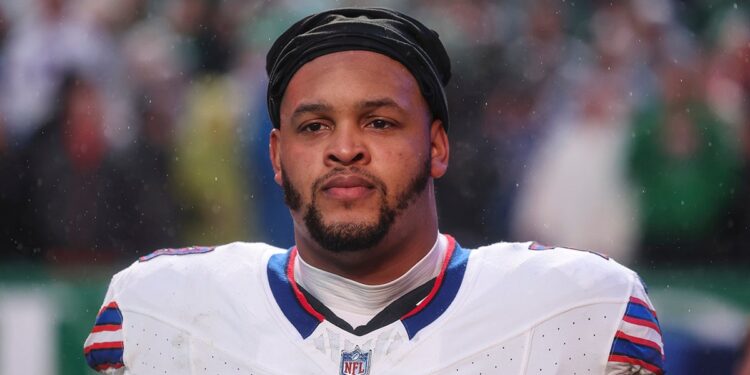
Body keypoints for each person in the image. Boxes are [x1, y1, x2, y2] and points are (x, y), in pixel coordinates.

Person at [84, 8, 665, 374]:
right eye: (313, 127)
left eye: (379, 122)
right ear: (276, 156)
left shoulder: (576, 308)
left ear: (438, 147)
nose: (344, 149)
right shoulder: (161, 309)